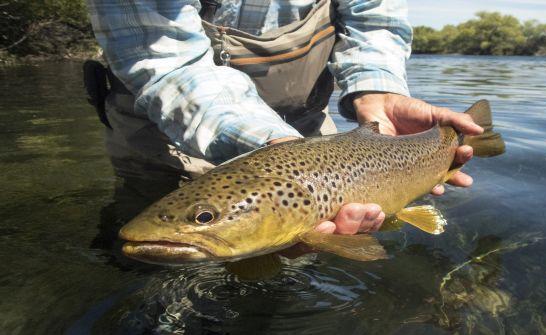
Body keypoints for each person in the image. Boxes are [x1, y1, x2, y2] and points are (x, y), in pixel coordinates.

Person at [86, 0, 482, 243]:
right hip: (164, 127)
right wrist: (281, 151)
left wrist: (376, 92)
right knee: (147, 255)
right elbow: (167, 59)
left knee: (301, 257)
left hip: (307, 134)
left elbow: (374, 23)